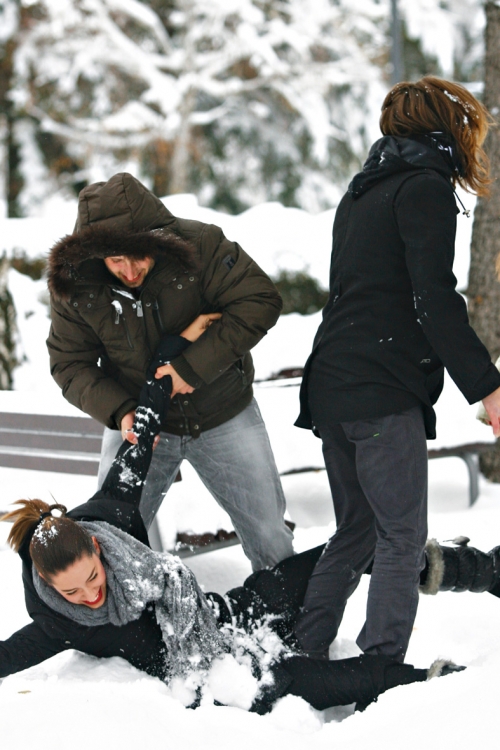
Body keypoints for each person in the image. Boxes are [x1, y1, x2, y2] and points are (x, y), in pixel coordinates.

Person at [1, 321, 481, 713]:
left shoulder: (112, 516)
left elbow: (142, 435)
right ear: (50, 588)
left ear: (97, 548)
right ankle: (432, 685)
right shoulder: (55, 621)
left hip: (233, 612)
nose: (89, 596)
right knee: (315, 681)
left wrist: (175, 352)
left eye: (90, 577)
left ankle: (481, 570)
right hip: (219, 669)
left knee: (352, 548)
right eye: (72, 592)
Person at [293, 76, 500, 663]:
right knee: (401, 540)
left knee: (356, 534)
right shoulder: (423, 188)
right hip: (379, 392)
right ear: (450, 129)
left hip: (332, 384)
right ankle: (379, 665)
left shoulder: (362, 190)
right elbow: (432, 300)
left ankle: (302, 652)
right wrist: (487, 386)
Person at [46, 172, 294, 571]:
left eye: (139, 256)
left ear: (157, 240)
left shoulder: (201, 247)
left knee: (270, 535)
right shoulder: (78, 285)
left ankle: (290, 626)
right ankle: (126, 629)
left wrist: (190, 370)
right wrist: (121, 410)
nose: (129, 271)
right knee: (111, 544)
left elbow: (259, 300)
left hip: (223, 413)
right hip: (141, 423)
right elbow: (68, 362)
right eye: (115, 260)